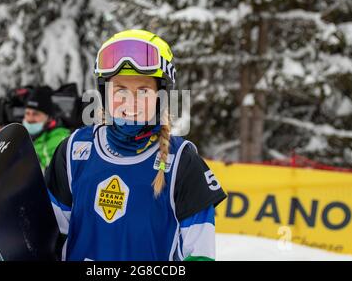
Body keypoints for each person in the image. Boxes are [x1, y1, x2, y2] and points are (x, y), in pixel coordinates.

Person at [45, 29, 227, 261]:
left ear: (161, 96)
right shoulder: (74, 151)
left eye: (143, 90)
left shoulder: (182, 161)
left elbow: (200, 255)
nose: (130, 101)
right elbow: (47, 237)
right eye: (120, 89)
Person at [22, 86, 70, 170]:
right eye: (27, 113)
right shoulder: (20, 136)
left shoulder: (61, 139)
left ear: (49, 117)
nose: (30, 119)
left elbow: (52, 174)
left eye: (36, 114)